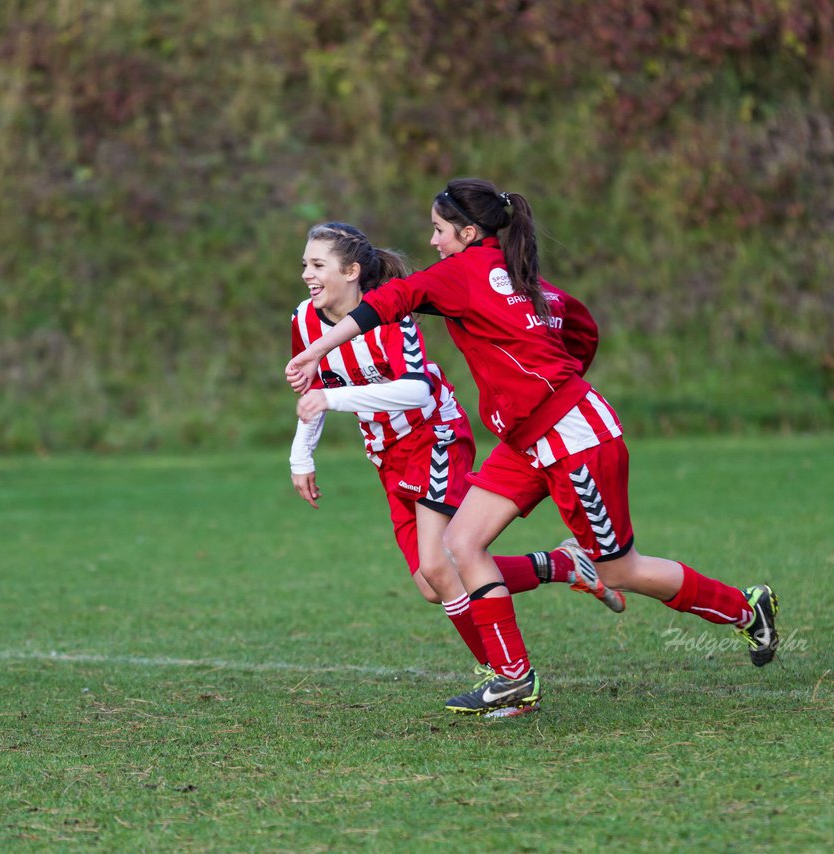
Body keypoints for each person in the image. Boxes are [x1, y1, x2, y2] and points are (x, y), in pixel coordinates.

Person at [286, 181, 780, 716]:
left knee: (620, 570)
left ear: (468, 233)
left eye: (438, 230)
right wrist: (554, 383)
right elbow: (581, 326)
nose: (431, 242)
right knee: (460, 545)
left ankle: (745, 608)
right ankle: (514, 679)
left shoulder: (466, 272)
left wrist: (315, 351)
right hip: (526, 440)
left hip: (574, 440)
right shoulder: (520, 278)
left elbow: (389, 301)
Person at [288, 222, 624, 710]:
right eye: (304, 264)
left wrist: (331, 399)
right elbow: (310, 393)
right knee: (431, 583)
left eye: (317, 265)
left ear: (352, 271)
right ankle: (561, 564)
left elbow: (416, 390)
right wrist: (302, 455)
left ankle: (507, 681)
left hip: (435, 437)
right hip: (386, 454)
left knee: (438, 564)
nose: (306, 275)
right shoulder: (304, 319)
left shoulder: (390, 317)